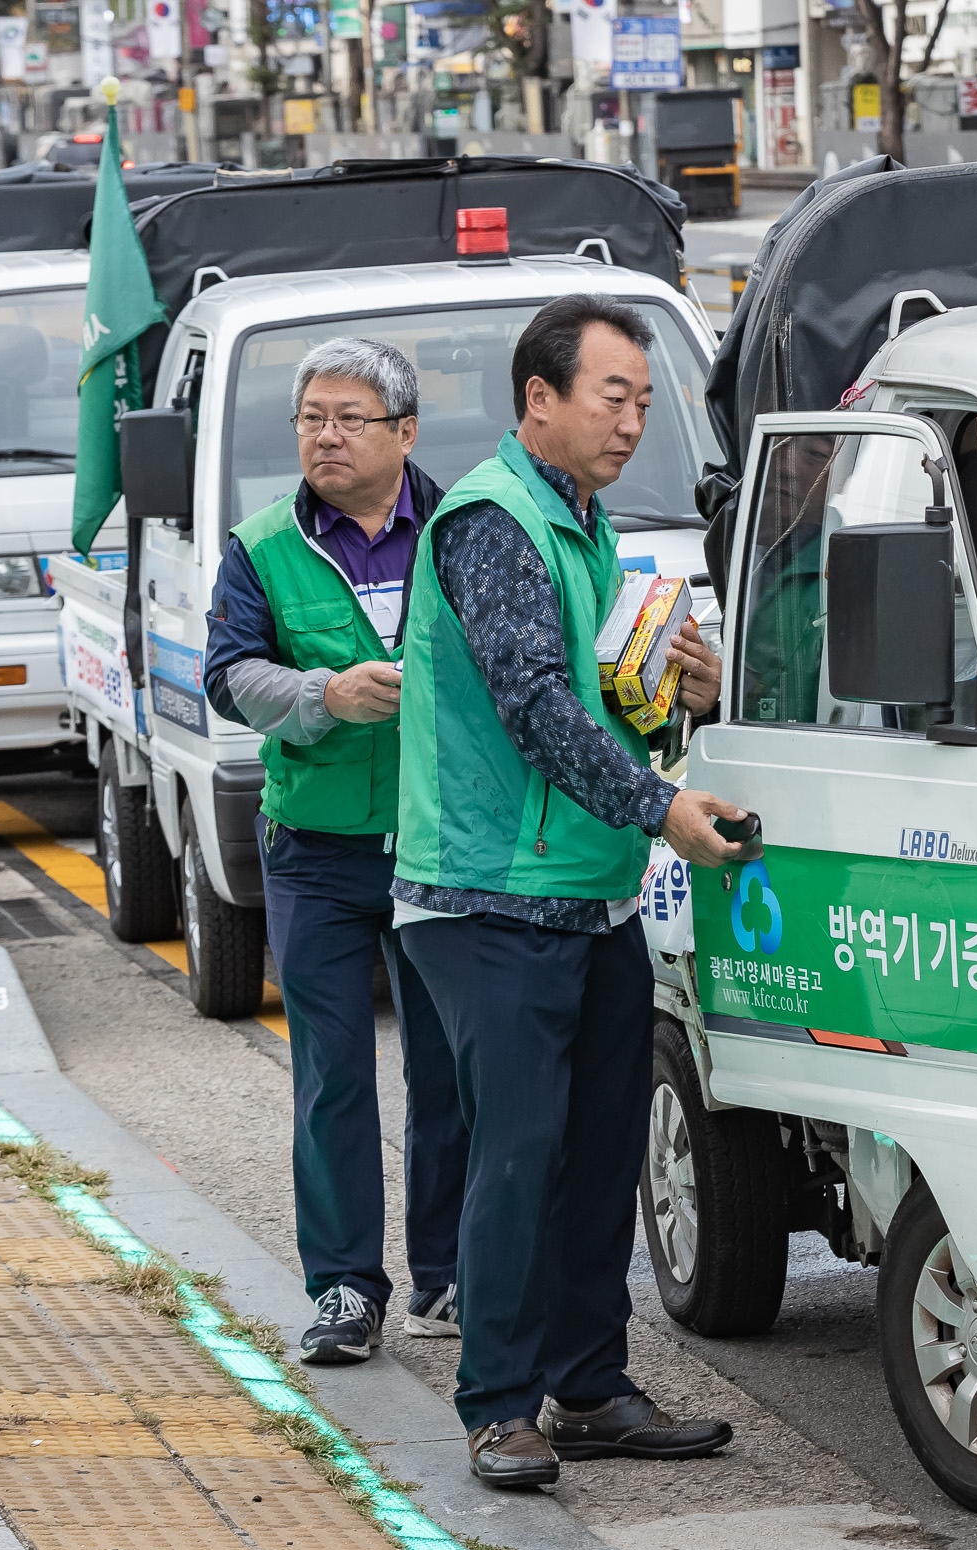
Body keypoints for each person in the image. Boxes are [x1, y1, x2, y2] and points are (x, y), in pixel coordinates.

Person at [392, 294, 741, 1487]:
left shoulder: (583, 526)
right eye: (612, 395)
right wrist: (661, 810)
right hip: (486, 897)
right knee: (519, 1152)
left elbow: (603, 705)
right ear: (538, 400)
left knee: (600, 1153)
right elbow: (535, 706)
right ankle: (497, 1400)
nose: (634, 419)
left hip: (584, 895)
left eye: (645, 400)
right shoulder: (494, 521)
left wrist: (683, 693)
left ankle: (587, 1383)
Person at [202, 337, 469, 1365]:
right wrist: (324, 695)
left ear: (404, 432)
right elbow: (228, 676)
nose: (324, 433)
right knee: (332, 1074)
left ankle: (444, 1276)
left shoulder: (461, 530)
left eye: (348, 416)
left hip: (440, 842)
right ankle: (346, 1285)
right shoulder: (262, 543)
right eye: (311, 415)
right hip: (313, 846)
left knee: (447, 1071)